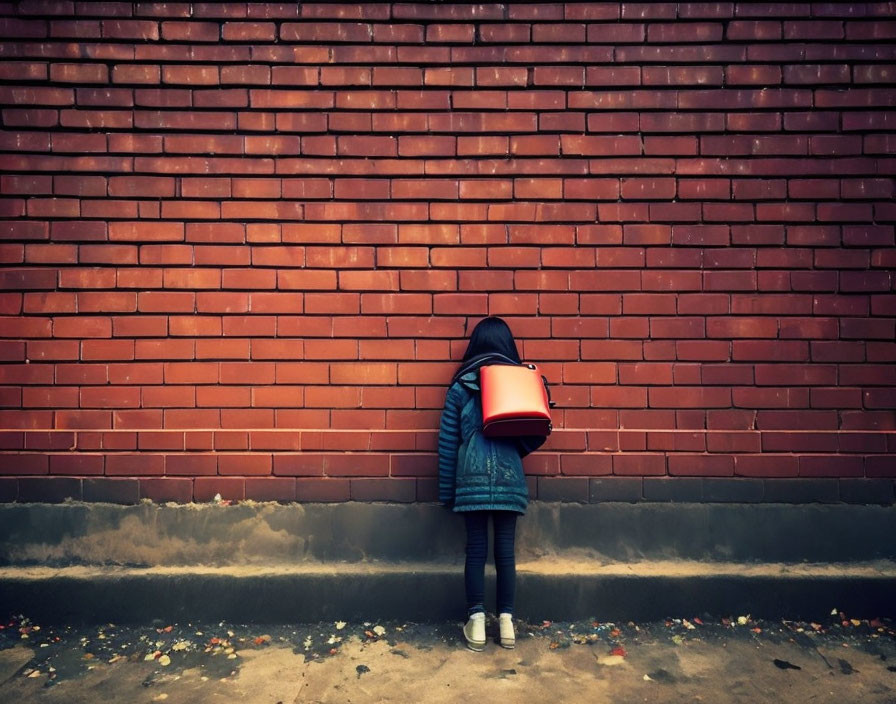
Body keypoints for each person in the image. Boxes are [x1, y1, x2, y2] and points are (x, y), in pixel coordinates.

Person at [437, 316, 545, 651]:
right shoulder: (521, 382)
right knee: (505, 552)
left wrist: (446, 493)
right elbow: (537, 431)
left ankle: (477, 622)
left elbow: (447, 443)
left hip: (470, 477)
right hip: (510, 475)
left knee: (476, 549)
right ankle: (508, 623)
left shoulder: (460, 387)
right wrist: (514, 451)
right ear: (508, 346)